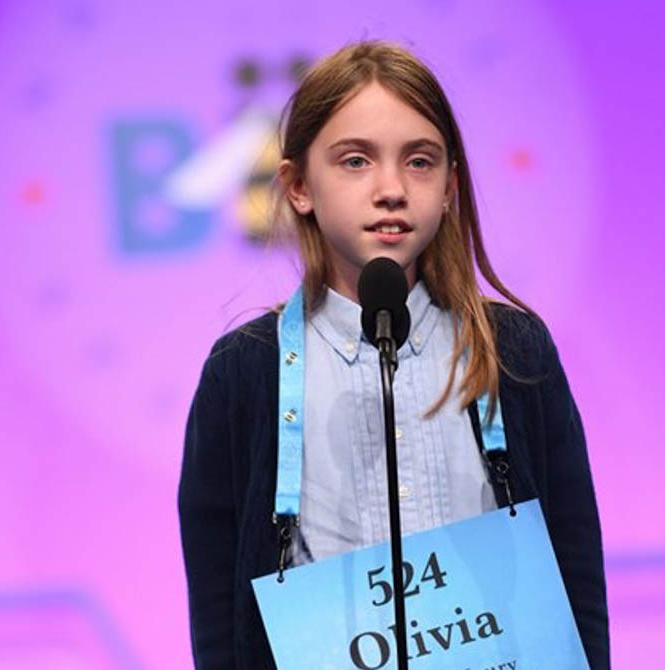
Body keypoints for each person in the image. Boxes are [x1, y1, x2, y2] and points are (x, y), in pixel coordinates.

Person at [178, 40, 609, 669]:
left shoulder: (514, 350)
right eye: (355, 161)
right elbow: (218, 609)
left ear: (448, 186)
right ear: (299, 186)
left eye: (419, 162)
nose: (390, 189)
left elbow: (575, 568)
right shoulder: (245, 371)